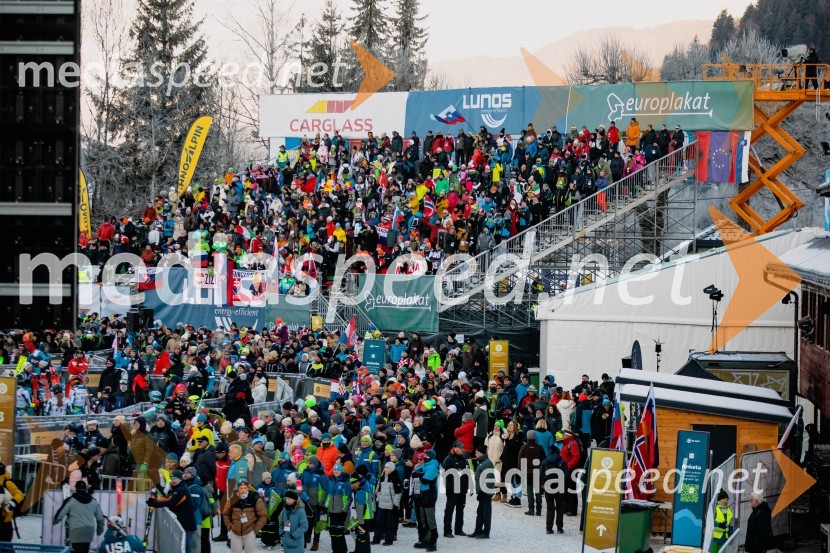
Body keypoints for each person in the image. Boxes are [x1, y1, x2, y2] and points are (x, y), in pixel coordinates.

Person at [146, 470, 198, 553]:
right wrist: (155, 500)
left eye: (175, 479)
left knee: (184, 546)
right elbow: (168, 498)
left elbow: (171, 503)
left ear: (180, 479)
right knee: (182, 546)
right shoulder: (177, 488)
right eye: (172, 479)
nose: (173, 481)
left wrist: (154, 503)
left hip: (187, 524)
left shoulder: (181, 490)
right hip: (183, 523)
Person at [53, 481, 105, 553]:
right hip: (89, 531)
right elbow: (100, 519)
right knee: (85, 550)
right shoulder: (94, 501)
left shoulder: (70, 500)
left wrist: (54, 522)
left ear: (75, 489)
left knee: (76, 550)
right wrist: (99, 531)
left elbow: (59, 515)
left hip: (76, 530)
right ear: (86, 489)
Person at [222, 478, 267, 553]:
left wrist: (255, 529)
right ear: (238, 489)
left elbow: (263, 516)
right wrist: (230, 526)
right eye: (241, 488)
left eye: (245, 488)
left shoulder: (255, 499)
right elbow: (226, 513)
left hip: (249, 531)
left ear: (248, 489)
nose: (243, 490)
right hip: (235, 531)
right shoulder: (232, 500)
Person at [441, 441, 469, 538]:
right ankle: (447, 531)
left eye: (462, 448)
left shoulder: (463, 459)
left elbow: (466, 474)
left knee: (460, 510)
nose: (462, 449)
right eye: (460, 448)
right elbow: (445, 476)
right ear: (455, 448)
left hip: (461, 490)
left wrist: (466, 487)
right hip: (452, 490)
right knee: (449, 510)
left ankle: (459, 529)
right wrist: (449, 489)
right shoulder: (448, 460)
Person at [540, 445, 568, 534]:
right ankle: (559, 528)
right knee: (559, 507)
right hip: (559, 487)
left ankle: (549, 528)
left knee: (550, 507)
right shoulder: (562, 462)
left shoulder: (545, 461)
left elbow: (541, 474)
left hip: (548, 486)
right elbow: (566, 475)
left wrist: (542, 483)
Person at [373, 461, 402, 546]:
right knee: (378, 522)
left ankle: (389, 540)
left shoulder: (395, 479)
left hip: (391, 505)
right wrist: (378, 500)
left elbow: (398, 493)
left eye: (388, 467)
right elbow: (379, 491)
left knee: (390, 523)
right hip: (382, 504)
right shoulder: (382, 478)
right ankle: (376, 539)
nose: (386, 469)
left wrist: (396, 505)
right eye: (385, 467)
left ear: (392, 469)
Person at [469, 445, 495, 539]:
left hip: (485, 492)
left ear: (482, 453)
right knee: (480, 512)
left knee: (486, 513)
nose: (475, 454)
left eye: (477, 453)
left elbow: (489, 478)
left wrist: (484, 491)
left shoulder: (487, 463)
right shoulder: (481, 462)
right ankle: (478, 531)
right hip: (482, 492)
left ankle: (486, 532)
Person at [0, 462, 23, 541]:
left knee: (6, 547)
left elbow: (19, 494)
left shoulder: (7, 483)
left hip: (4, 524)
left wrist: (12, 503)